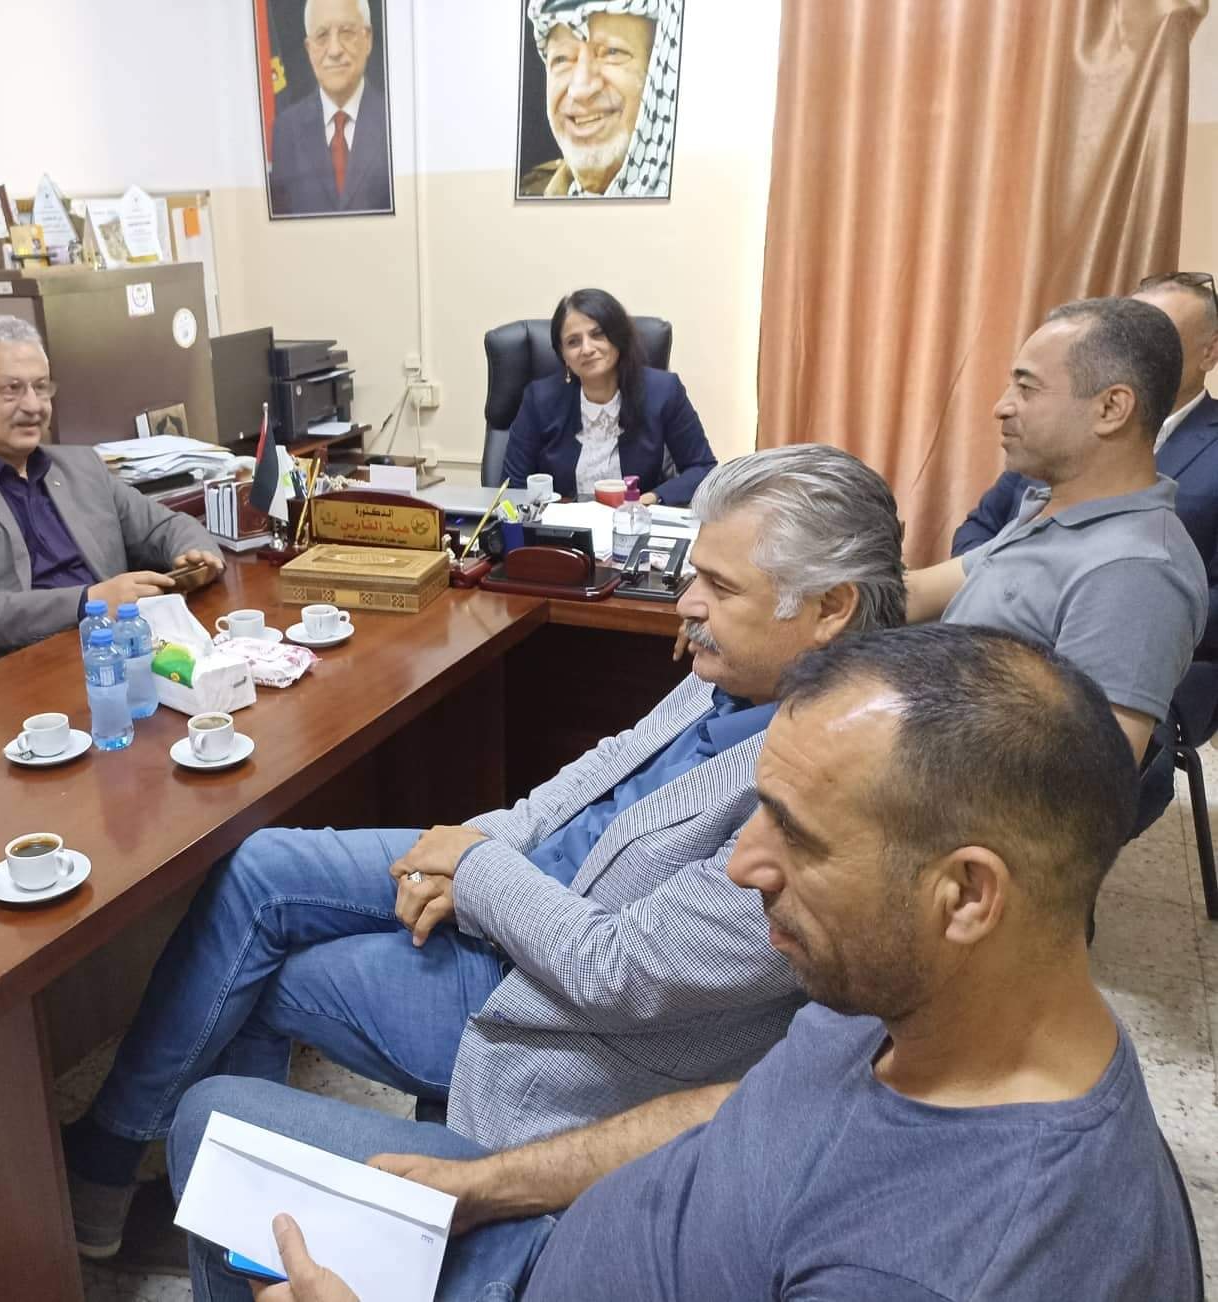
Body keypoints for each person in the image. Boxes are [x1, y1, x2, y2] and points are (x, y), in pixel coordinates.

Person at [170, 626, 1200, 1302]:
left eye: (796, 836)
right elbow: (733, 1109)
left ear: (967, 894)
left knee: (225, 1160)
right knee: (215, 1123)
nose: (743, 865)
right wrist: (487, 1184)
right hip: (545, 1236)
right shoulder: (930, 1002)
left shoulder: (950, 1260)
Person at [62, 444, 906, 1262]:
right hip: (512, 885)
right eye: (695, 575)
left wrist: (473, 874)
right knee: (261, 867)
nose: (687, 603)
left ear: (829, 609)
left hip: (550, 999)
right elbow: (604, 767)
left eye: (719, 586)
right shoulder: (743, 671)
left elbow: (618, 970)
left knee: (267, 979)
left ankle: (255, 1208)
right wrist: (482, 843)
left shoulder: (823, 797)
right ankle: (120, 1160)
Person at [907, 296, 1207, 766]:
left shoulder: (1136, 572)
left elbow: (1089, 774)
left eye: (1027, 389)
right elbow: (919, 592)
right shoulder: (1051, 511)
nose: (1001, 407)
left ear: (1111, 408)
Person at [0, 315, 222, 692]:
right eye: (11, 389)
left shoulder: (81, 465)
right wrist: (88, 602)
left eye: (41, 388)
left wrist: (195, 554)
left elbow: (165, 526)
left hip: (106, 658)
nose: (33, 406)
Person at [952, 272, 1218, 651]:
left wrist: (1067, 607)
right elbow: (983, 529)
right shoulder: (1051, 452)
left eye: (1158, 333)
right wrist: (998, 593)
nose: (1132, 347)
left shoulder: (1144, 561)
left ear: (1210, 351)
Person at [500, 288, 715, 503]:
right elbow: (512, 485)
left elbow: (703, 468)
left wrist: (652, 498)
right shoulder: (539, 400)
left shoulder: (663, 390)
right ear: (563, 355)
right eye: (573, 342)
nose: (587, 349)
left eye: (597, 335)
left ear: (618, 338)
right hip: (561, 522)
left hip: (637, 518)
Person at [518, 0, 683, 198]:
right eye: (562, 59)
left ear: (660, 74)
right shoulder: (530, 192)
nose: (581, 89)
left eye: (612, 52)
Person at [267, 0, 392, 217]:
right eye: (322, 35)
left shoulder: (396, 121)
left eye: (346, 32)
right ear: (309, 49)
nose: (334, 50)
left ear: (368, 39)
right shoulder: (285, 131)